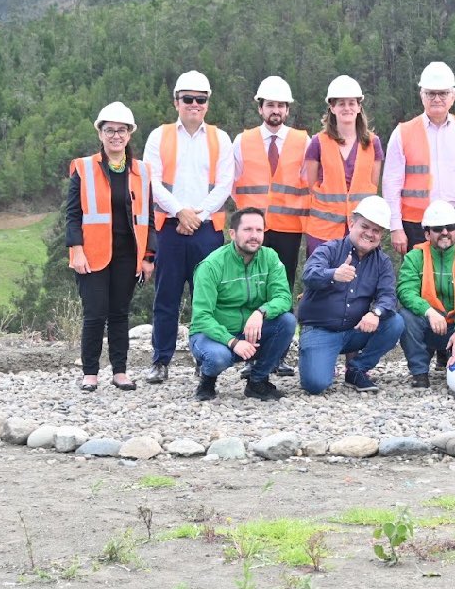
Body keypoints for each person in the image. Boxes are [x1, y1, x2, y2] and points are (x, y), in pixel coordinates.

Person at [143, 70, 234, 384]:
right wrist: (180, 212)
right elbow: (151, 182)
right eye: (188, 99)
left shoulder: (220, 139)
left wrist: (198, 215)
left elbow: (224, 184)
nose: (194, 104)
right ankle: (161, 360)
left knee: (206, 298)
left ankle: (204, 357)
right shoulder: (160, 136)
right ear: (176, 102)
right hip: (169, 227)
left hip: (207, 229)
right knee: (166, 298)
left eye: (201, 99)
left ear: (207, 103)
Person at [65, 102, 155, 392]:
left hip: (129, 255)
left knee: (119, 314)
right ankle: (90, 373)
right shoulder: (83, 168)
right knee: (95, 313)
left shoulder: (142, 171)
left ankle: (120, 371)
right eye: (109, 130)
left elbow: (150, 218)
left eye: (121, 130)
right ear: (100, 134)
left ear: (129, 134)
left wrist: (148, 256)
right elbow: (73, 215)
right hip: (93, 254)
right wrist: (76, 250)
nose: (116, 135)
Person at [232, 75, 308, 378]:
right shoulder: (243, 140)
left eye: (280, 105)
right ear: (260, 108)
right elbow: (231, 181)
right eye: (270, 104)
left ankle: (277, 355)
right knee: (251, 291)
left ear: (287, 109)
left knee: (282, 289)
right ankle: (253, 354)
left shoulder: (304, 140)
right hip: (253, 230)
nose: (275, 109)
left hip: (289, 227)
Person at [382, 61, 455, 256]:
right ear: (422, 96)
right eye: (430, 93)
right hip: (416, 224)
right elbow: (391, 183)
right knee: (417, 282)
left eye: (443, 93)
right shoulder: (403, 133)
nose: (437, 99)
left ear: (453, 96)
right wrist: (395, 227)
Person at [296, 195, 404, 394]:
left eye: (376, 230)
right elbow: (308, 274)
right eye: (365, 227)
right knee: (316, 385)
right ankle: (317, 359)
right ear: (351, 223)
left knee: (396, 322)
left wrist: (376, 313)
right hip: (322, 329)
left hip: (356, 331)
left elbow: (388, 296)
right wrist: (333, 274)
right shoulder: (329, 249)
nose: (370, 234)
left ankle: (357, 369)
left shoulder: (382, 262)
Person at [187, 208, 296, 402]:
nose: (254, 236)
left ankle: (257, 381)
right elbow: (202, 317)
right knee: (218, 357)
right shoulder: (211, 265)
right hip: (213, 335)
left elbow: (284, 297)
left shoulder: (270, 257)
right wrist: (233, 342)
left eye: (259, 230)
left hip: (250, 331)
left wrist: (261, 312)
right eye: (247, 230)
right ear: (232, 233)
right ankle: (208, 380)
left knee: (286, 322)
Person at [397, 200, 455, 388]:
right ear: (427, 233)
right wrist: (429, 311)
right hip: (428, 324)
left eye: (450, 227)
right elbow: (405, 291)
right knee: (404, 317)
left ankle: (454, 357)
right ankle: (420, 373)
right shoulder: (414, 257)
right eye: (438, 228)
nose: (445, 232)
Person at [302, 74, 384, 256]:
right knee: (320, 279)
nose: (347, 108)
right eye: (341, 103)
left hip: (361, 230)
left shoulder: (373, 143)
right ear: (332, 107)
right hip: (323, 231)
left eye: (351, 103)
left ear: (359, 106)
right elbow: (312, 186)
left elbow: (372, 186)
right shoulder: (318, 142)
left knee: (359, 281)